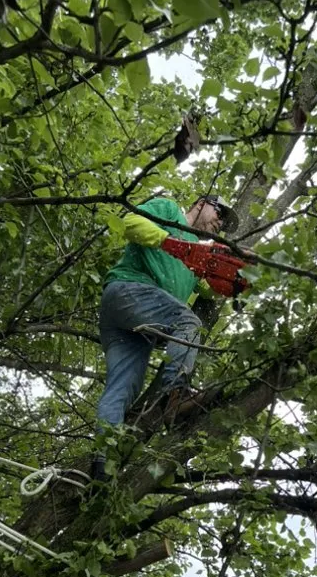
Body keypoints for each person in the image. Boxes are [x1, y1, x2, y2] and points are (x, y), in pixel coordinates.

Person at [93, 194, 238, 472]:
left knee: (123, 388)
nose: (220, 223)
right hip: (127, 290)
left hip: (138, 326)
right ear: (201, 204)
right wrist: (170, 242)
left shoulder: (196, 258)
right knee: (189, 323)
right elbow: (131, 223)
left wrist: (234, 284)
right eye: (219, 213)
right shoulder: (168, 210)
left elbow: (207, 289)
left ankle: (100, 465)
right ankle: (176, 395)